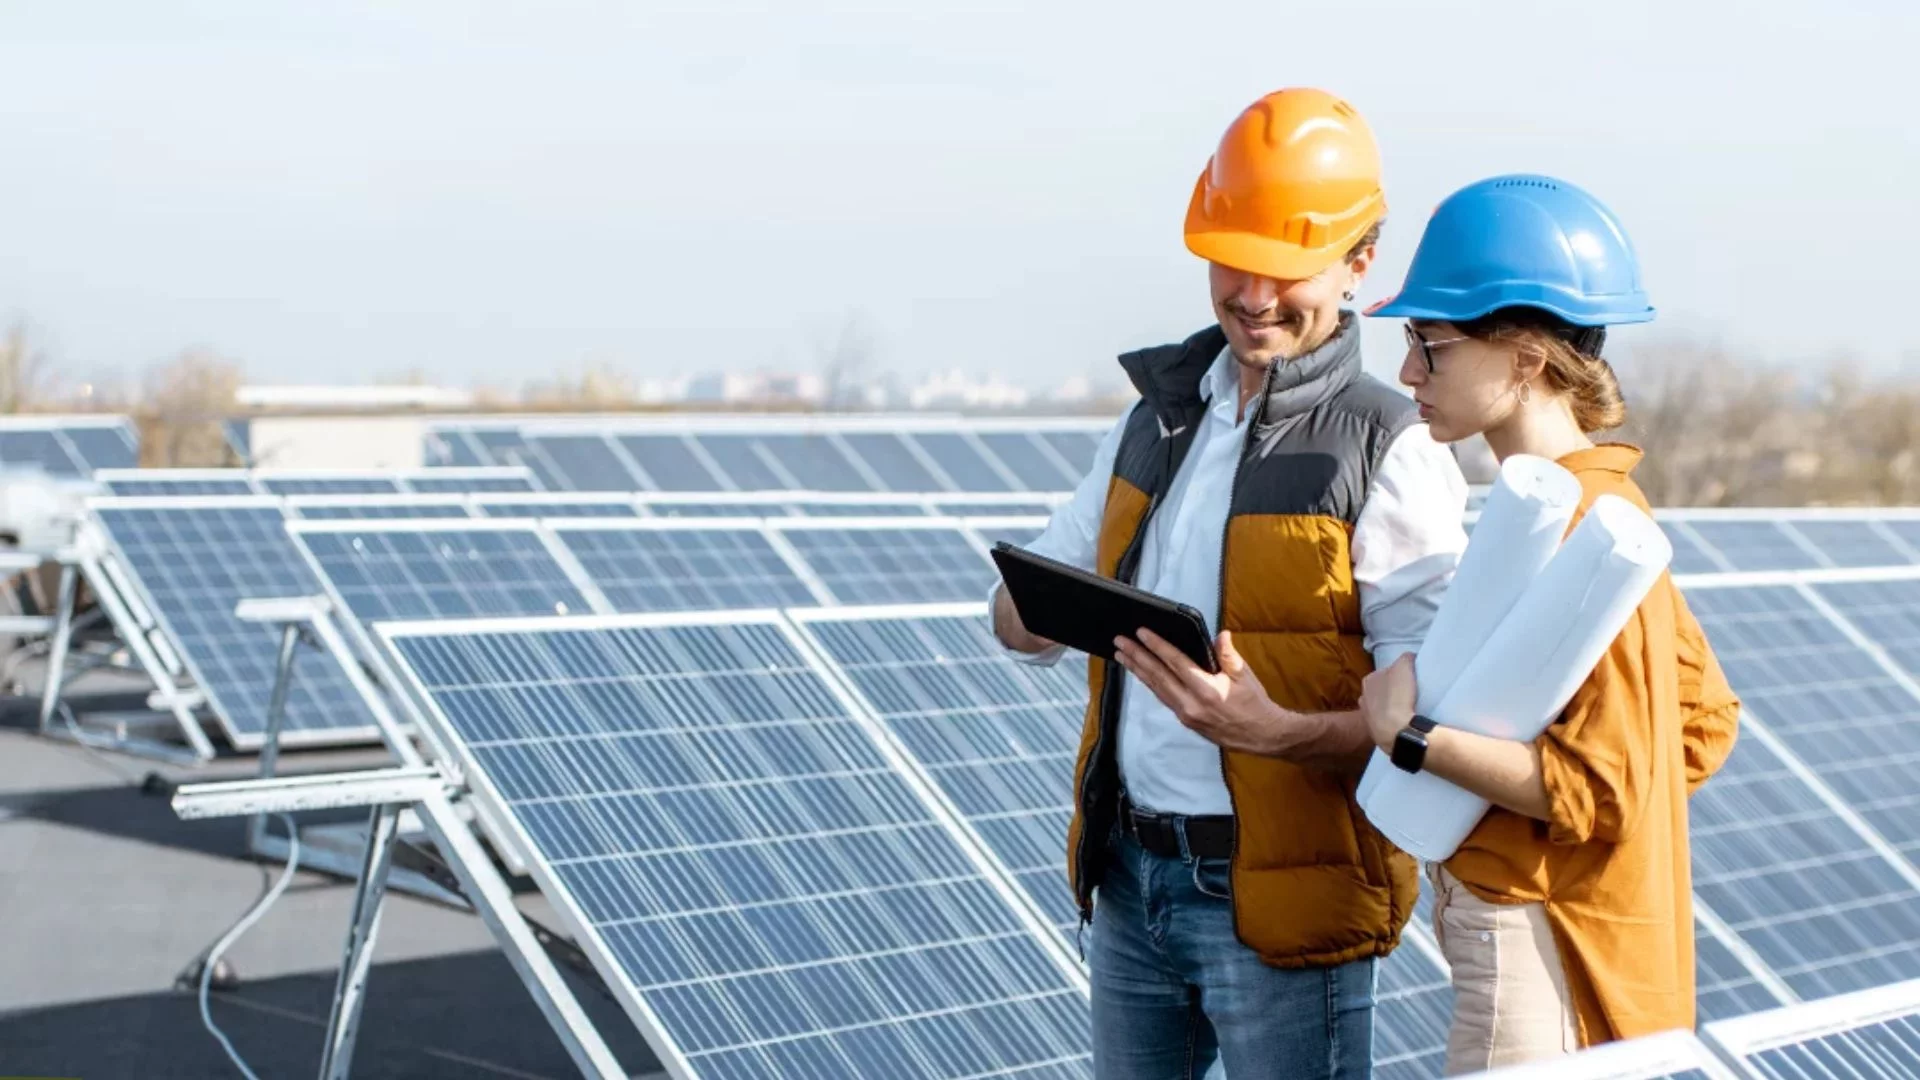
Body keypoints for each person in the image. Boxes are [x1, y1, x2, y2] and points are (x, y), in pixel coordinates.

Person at [989, 87, 1468, 1078]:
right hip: (1128, 879)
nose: (1252, 296)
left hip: (1281, 899)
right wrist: (1034, 616)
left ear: (1358, 263)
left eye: (1285, 271)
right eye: (1232, 261)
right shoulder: (1158, 418)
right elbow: (1026, 605)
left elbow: (1433, 722)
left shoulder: (1393, 447)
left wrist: (1275, 733)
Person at [1355, 174, 1742, 1073]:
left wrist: (1409, 737)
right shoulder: (1600, 510)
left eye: (1430, 343)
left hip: (1542, 959)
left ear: (1525, 356)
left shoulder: (1584, 533)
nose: (1408, 370)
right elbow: (1700, 727)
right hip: (1556, 941)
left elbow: (1604, 791)